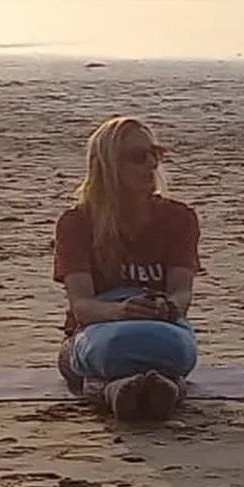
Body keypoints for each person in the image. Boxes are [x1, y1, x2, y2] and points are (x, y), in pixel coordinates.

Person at [52, 116, 201, 424]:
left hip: (161, 326)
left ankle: (133, 388)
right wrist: (122, 310)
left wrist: (169, 307)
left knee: (173, 350)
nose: (150, 164)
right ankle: (132, 389)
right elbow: (82, 306)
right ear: (107, 166)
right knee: (106, 354)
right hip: (96, 329)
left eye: (155, 154)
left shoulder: (178, 218)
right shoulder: (77, 223)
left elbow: (182, 291)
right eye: (137, 157)